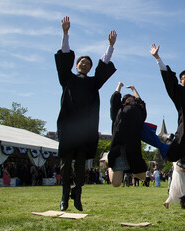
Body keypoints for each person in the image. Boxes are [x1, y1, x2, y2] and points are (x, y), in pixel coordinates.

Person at [55, 16, 117, 211]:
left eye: (87, 63)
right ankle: (65, 196)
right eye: (81, 62)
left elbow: (102, 67)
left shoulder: (93, 83)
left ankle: (78, 194)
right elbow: (64, 57)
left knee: (81, 165)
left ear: (90, 68)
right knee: (66, 165)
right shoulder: (68, 79)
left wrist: (110, 47)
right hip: (68, 127)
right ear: (76, 65)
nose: (84, 64)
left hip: (86, 130)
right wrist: (65, 34)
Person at [107, 82, 148, 187]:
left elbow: (141, 102)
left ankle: (113, 164)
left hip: (134, 147)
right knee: (116, 184)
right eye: (127, 99)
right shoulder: (118, 111)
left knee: (143, 176)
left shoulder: (139, 111)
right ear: (123, 102)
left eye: (132, 99)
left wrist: (133, 89)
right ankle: (109, 165)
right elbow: (114, 100)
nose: (131, 99)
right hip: (120, 146)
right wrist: (119, 87)